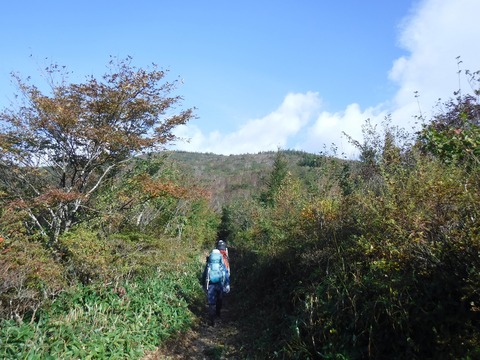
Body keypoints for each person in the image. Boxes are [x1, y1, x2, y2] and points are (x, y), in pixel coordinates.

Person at [202, 248, 230, 326]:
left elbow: (204, 274)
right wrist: (227, 284)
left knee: (211, 302)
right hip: (219, 284)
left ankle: (212, 319)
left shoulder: (209, 264)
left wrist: (203, 284)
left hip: (210, 284)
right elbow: (226, 273)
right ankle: (218, 315)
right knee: (219, 299)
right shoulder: (221, 264)